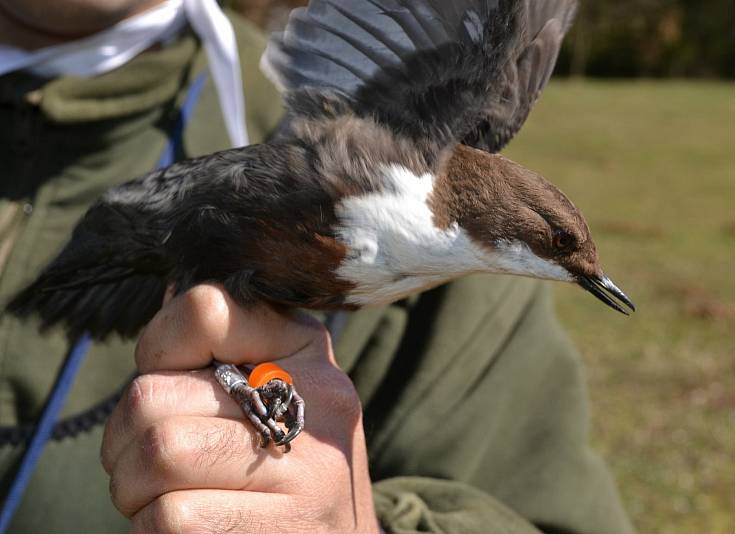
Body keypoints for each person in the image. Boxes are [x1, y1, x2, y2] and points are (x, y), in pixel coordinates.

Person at [0, 0, 635, 532]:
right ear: (512, 232)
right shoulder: (418, 148)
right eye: (557, 249)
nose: (577, 269)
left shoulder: (463, 302)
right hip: (194, 215)